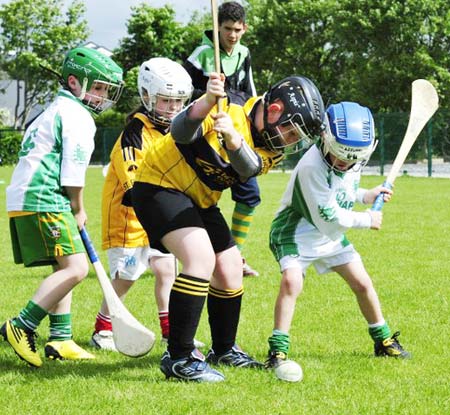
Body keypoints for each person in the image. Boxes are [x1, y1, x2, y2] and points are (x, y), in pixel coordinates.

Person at [132, 74, 326, 382]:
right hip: (158, 185)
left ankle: (223, 350)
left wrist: (234, 142)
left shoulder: (270, 149)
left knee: (230, 268)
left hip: (201, 199)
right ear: (274, 110)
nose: (290, 141)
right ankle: (179, 358)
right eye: (291, 131)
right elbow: (181, 133)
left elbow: (248, 169)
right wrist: (206, 103)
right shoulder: (225, 107)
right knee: (200, 259)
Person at [265, 101, 410, 378]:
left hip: (326, 235)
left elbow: (343, 190)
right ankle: (278, 350)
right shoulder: (311, 166)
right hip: (295, 232)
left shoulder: (351, 159)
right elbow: (329, 213)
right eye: (340, 156)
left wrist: (367, 194)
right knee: (291, 282)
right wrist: (366, 219)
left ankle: (383, 340)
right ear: (325, 139)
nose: (345, 163)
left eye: (352, 159)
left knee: (362, 282)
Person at [1, 46, 124, 367]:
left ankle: (61, 338)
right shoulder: (77, 116)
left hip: (28, 196)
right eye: (97, 88)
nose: (102, 96)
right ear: (74, 82)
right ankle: (21, 326)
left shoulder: (55, 109)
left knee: (62, 265)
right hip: (45, 197)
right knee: (76, 268)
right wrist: (78, 207)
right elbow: (72, 168)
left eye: (106, 90)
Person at [90, 57, 204, 351]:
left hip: (159, 215)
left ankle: (171, 330)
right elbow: (133, 186)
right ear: (147, 97)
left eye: (179, 102)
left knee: (168, 270)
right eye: (166, 101)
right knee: (126, 277)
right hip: (129, 218)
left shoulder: (172, 132)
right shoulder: (134, 135)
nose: (174, 109)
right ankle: (103, 327)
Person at [184, 1, 260, 277]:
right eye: (227, 29)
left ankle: (235, 255)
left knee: (250, 195)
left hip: (236, 135)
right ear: (218, 27)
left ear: (245, 28)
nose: (232, 35)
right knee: (201, 201)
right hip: (205, 138)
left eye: (237, 30)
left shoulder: (244, 53)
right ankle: (175, 254)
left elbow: (250, 93)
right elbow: (183, 96)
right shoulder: (201, 55)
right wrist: (206, 93)